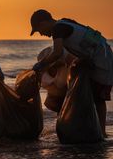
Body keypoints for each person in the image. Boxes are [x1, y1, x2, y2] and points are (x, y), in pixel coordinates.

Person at [30, 9, 113, 137]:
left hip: (102, 59)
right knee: (93, 95)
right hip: (101, 52)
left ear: (43, 23)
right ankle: (95, 130)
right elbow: (82, 40)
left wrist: (41, 64)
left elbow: (57, 53)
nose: (41, 34)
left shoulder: (57, 29)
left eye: (39, 30)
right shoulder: (64, 23)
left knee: (98, 97)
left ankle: (101, 132)